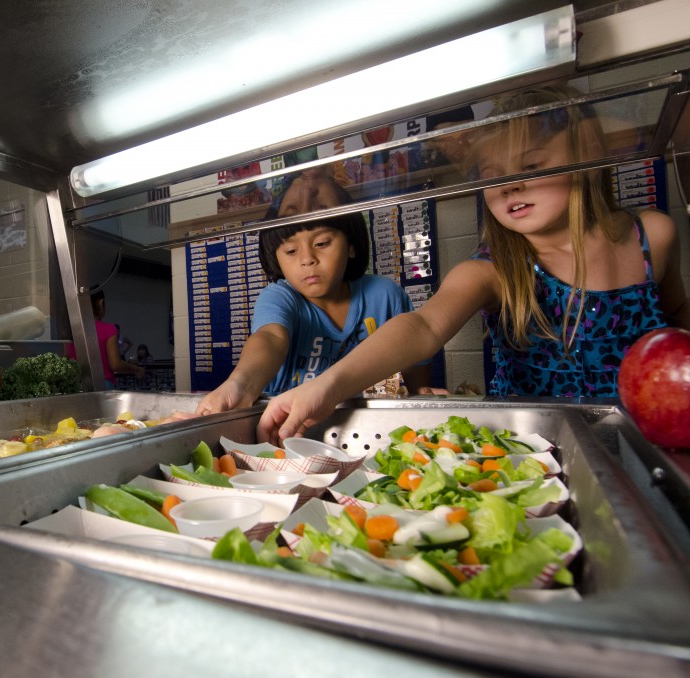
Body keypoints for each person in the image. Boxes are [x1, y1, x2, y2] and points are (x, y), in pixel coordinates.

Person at [257, 85, 690, 444]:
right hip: (539, 453)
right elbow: (423, 328)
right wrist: (326, 386)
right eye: (492, 174)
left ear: (588, 153)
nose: (510, 185)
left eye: (531, 165)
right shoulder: (494, 269)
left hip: (650, 441)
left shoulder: (652, 235)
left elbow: (677, 322)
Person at [195, 177, 431, 415]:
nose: (307, 259)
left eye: (321, 243)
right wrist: (240, 384)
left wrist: (422, 396)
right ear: (276, 257)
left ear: (351, 246)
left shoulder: (386, 296)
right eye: (291, 250)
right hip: (286, 428)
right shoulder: (279, 297)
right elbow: (270, 337)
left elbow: (414, 376)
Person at [67, 290, 144, 388]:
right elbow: (115, 364)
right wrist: (137, 369)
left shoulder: (71, 331)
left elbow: (66, 358)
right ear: (101, 303)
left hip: (76, 387)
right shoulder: (109, 329)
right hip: (103, 387)